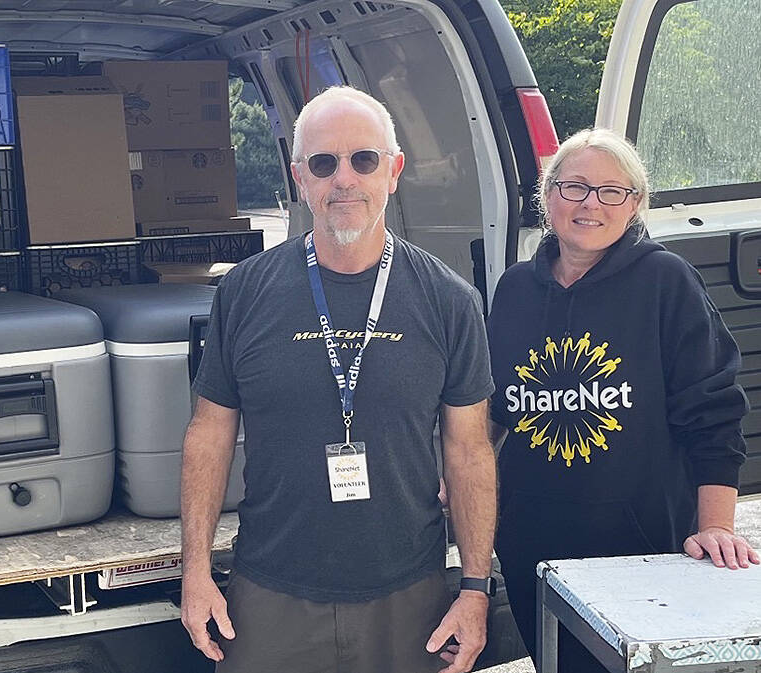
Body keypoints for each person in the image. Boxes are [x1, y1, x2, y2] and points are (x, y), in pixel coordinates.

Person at [180, 85, 497, 673]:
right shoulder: (244, 293)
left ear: (394, 170)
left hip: (409, 594)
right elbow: (209, 434)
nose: (343, 179)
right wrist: (195, 571)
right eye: (323, 163)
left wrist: (475, 589)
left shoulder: (451, 301)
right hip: (270, 589)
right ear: (300, 177)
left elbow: (470, 450)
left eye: (363, 160)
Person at [487, 128, 760, 672]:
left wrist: (715, 527)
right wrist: (466, 476)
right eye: (575, 187)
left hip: (643, 549)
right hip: (532, 547)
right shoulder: (514, 288)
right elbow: (496, 407)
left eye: (612, 191)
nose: (591, 203)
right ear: (548, 196)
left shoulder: (666, 281)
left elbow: (713, 411)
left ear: (634, 204)